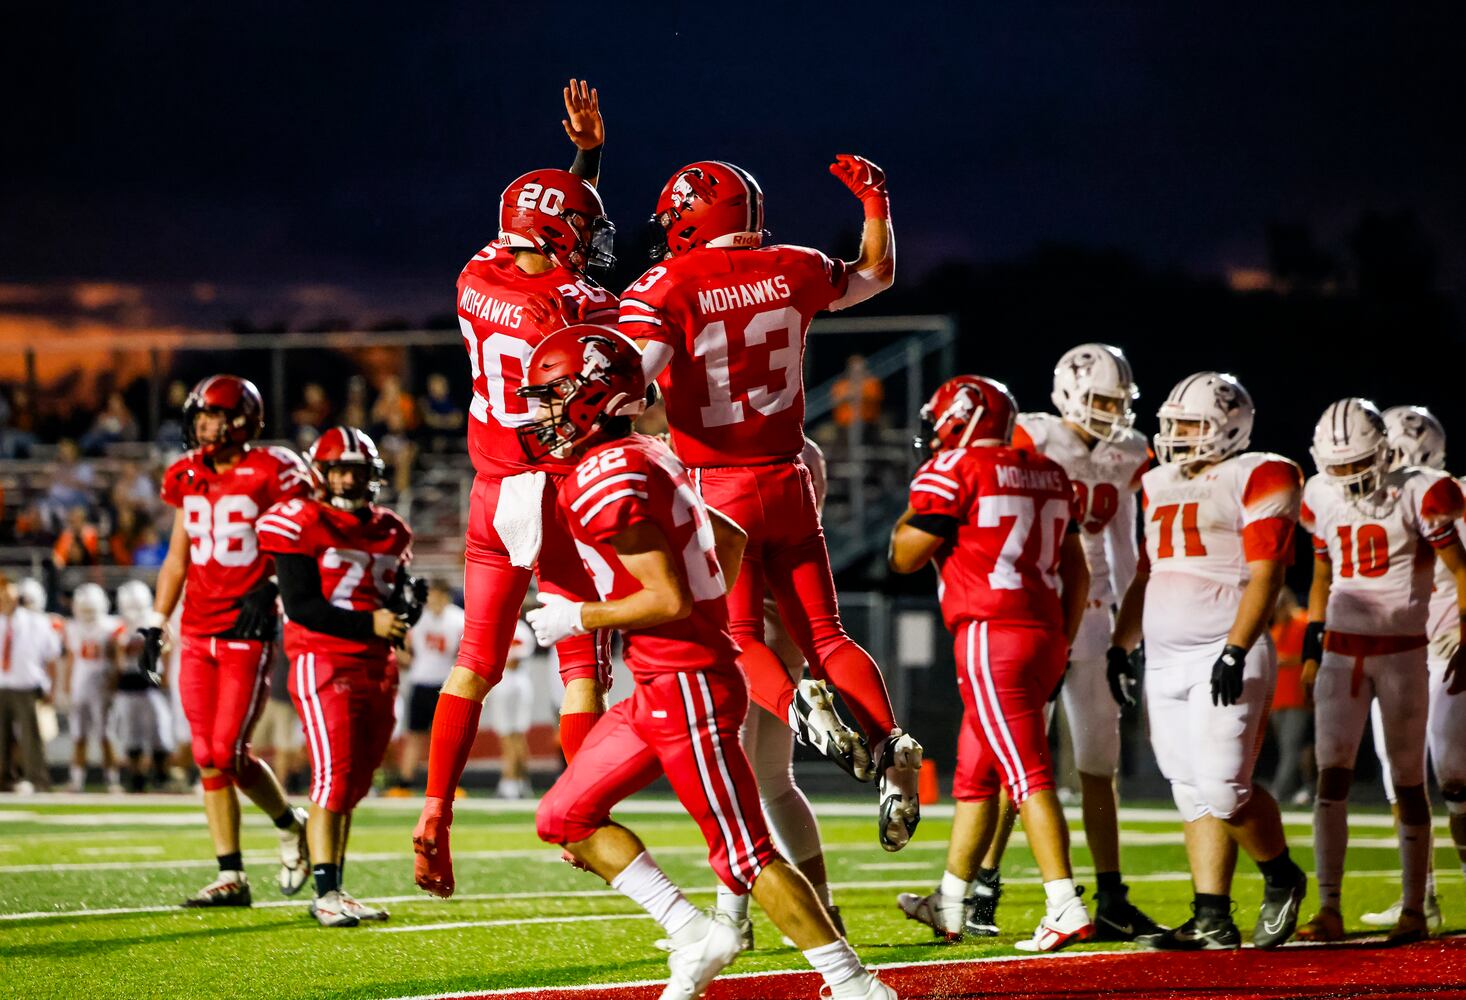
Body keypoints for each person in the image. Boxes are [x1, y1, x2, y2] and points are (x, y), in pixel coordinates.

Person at [519, 325, 896, 1000]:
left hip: (688, 681)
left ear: (594, 396)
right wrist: (708, 615)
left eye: (552, 397)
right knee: (564, 816)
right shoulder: (647, 453)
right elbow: (729, 536)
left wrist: (578, 616)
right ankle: (694, 931)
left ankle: (853, 984)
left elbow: (663, 597)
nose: (541, 413)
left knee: (747, 856)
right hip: (665, 678)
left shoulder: (608, 476)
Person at [621, 155, 921, 850]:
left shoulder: (667, 284)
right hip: (789, 477)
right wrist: (875, 204)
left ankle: (802, 710)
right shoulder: (795, 266)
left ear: (694, 220)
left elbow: (637, 382)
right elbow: (877, 273)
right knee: (827, 635)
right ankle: (890, 738)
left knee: (738, 637)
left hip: (716, 487)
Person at [412, 79, 624, 892]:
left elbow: (546, 227)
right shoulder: (577, 307)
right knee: (579, 665)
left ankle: (436, 808)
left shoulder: (476, 270)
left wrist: (587, 158)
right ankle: (581, 815)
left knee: (474, 660)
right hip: (562, 490)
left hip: (494, 490)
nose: (595, 238)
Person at [889, 376, 1094, 952]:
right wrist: (1065, 636)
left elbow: (903, 556)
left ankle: (1063, 902)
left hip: (989, 631)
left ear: (961, 418)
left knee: (1029, 776)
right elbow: (1077, 570)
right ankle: (950, 902)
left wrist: (913, 508)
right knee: (975, 777)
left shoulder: (953, 470)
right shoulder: (1049, 473)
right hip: (1043, 631)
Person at [969, 344, 1160, 940]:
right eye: (1101, 399)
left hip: (1098, 615)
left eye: (1117, 401)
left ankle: (1110, 893)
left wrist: (1129, 639)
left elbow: (1129, 548)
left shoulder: (1129, 451)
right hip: (1041, 611)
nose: (1110, 412)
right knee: (1019, 759)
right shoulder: (1034, 438)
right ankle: (984, 882)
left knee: (1100, 765)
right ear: (1070, 393)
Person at [1111, 372, 1307, 951]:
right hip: (1165, 657)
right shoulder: (1157, 480)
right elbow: (1148, 571)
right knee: (1188, 787)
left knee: (1224, 788)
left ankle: (1281, 876)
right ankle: (1211, 917)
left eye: (1194, 425)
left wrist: (1237, 647)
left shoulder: (1261, 473)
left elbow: (1268, 573)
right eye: (1175, 424)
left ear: (1230, 429)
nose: (1179, 436)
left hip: (1223, 648)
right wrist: (1121, 645)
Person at [1296, 398, 1466, 945]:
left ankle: (1415, 910)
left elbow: (1460, 570)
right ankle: (1328, 909)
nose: (1345, 477)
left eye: (1356, 463)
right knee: (1331, 777)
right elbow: (1321, 574)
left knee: (1409, 781)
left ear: (1384, 452)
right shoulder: (1319, 494)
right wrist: (1309, 645)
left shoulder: (1419, 490)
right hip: (1342, 654)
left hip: (1401, 651)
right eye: (1337, 465)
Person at [142, 374, 312, 907]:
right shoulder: (186, 474)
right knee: (206, 754)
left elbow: (306, 534)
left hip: (247, 625)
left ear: (243, 420)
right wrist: (156, 619)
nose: (203, 425)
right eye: (200, 416)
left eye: (214, 415)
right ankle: (230, 874)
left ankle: (290, 821)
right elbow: (177, 554)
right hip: (196, 627)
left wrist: (273, 585)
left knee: (226, 750)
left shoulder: (274, 469)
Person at [259, 425, 422, 927]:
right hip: (324, 658)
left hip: (378, 664)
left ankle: (336, 887)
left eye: (358, 470)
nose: (349, 479)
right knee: (331, 777)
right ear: (321, 473)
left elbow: (391, 598)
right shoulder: (299, 520)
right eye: (340, 469)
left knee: (353, 780)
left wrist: (403, 607)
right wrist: (368, 621)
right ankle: (325, 893)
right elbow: (303, 606)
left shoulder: (391, 529)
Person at [712, 438, 846, 946]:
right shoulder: (807, 450)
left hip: (747, 624)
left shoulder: (738, 451)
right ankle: (821, 907)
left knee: (735, 780)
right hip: (786, 619)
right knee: (774, 780)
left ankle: (733, 920)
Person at [1361, 405, 1456, 931]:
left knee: (1457, 778)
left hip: (1445, 648)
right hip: (1400, 652)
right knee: (1403, 782)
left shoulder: (1450, 497)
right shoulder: (1378, 502)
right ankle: (1420, 898)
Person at [395, 579, 463, 793]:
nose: (433, 600)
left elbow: (465, 652)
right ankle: (405, 783)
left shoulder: (458, 619)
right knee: (415, 735)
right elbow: (400, 646)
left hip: (446, 684)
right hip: (421, 682)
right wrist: (407, 660)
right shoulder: (419, 617)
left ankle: (447, 784)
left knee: (447, 738)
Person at [111, 580, 174, 792]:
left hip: (151, 681)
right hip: (128, 682)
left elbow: (167, 647)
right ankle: (136, 776)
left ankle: (161, 774)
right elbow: (118, 660)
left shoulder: (155, 622)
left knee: (159, 731)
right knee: (131, 733)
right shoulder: (118, 625)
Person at [0, 580, 62, 793]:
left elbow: (51, 657)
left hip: (26, 686)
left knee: (31, 738)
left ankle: (38, 780)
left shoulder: (37, 622)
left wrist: (52, 687)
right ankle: (3, 780)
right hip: (2, 685)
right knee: (2, 738)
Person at [62, 583, 122, 793]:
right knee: (79, 735)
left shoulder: (110, 626)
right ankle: (77, 779)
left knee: (105, 734)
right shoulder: (73, 627)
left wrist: (114, 683)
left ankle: (112, 779)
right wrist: (68, 685)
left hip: (100, 685)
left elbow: (116, 658)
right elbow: (71, 658)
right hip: (82, 685)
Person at [1267, 588, 1313, 805]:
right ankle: (1304, 789)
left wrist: (1287, 660)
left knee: (1292, 746)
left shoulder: (1303, 623)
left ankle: (1278, 791)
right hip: (1278, 699)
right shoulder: (1276, 630)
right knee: (1293, 748)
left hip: (1298, 696)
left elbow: (1313, 656)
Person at [486, 617, 535, 799]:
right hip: (519, 683)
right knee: (517, 737)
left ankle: (510, 782)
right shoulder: (523, 630)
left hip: (507, 683)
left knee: (508, 737)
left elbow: (512, 662)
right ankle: (521, 782)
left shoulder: (508, 628)